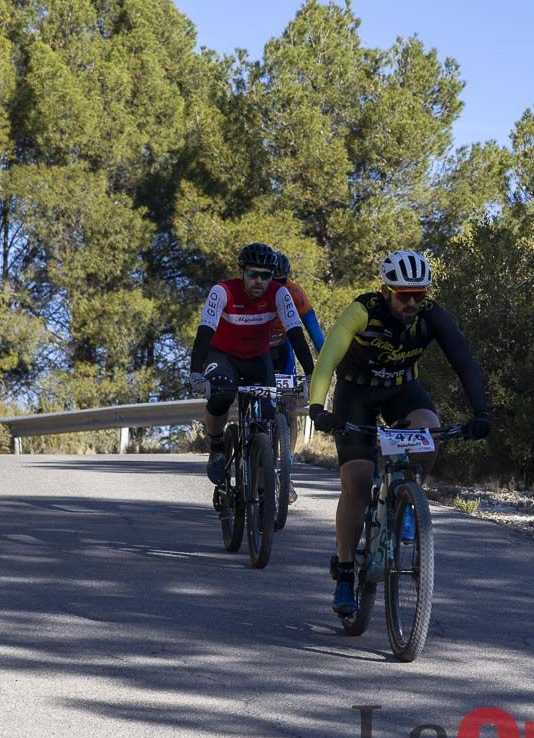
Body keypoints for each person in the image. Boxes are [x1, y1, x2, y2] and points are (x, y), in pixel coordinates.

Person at [308, 250, 491, 615]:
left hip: (400, 389)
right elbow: (327, 358)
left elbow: (463, 359)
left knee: (429, 429)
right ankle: (345, 573)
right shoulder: (362, 311)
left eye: (418, 295)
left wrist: (482, 412)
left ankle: (409, 500)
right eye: (403, 294)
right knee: (357, 482)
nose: (411, 302)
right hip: (356, 392)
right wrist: (318, 409)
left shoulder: (431, 316)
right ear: (385, 290)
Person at [189, 243, 315, 486]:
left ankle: (261, 471)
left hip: (258, 359)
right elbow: (204, 333)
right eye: (253, 274)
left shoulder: (280, 293)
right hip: (223, 356)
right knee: (222, 395)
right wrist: (196, 372)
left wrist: (311, 374)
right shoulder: (222, 291)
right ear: (241, 272)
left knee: (268, 416)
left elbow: (297, 335)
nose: (259, 281)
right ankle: (216, 447)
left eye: (265, 276)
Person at [267, 252, 326, 504]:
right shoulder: (255, 294)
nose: (278, 287)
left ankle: (286, 472)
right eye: (274, 281)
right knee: (260, 406)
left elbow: (313, 332)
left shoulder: (295, 293)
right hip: (258, 351)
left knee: (291, 413)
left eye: (283, 281)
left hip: (284, 351)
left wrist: (326, 362)